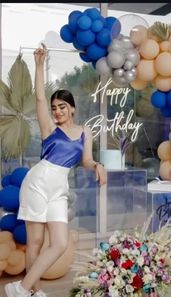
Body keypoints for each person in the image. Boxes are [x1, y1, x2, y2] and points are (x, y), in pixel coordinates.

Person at [5, 43, 107, 297]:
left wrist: (97, 165)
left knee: (59, 243)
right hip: (38, 181)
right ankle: (32, 289)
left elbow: (86, 160)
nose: (57, 111)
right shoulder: (50, 129)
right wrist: (39, 65)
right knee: (36, 242)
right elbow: (39, 97)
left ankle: (20, 287)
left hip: (59, 187)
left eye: (62, 106)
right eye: (54, 108)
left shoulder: (85, 131)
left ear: (72, 108)